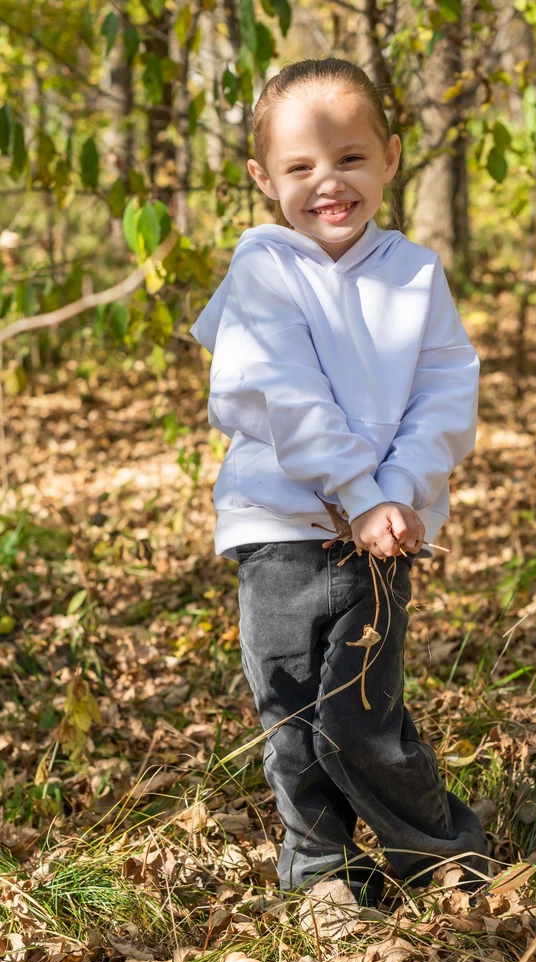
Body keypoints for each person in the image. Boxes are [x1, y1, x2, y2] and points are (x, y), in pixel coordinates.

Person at [190, 57, 488, 908]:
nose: (329, 182)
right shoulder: (263, 269)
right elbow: (283, 394)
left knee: (362, 715)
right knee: (289, 708)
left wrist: (395, 492)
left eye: (350, 158)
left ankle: (440, 855)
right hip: (280, 524)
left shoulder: (414, 272)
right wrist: (360, 494)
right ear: (262, 179)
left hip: (383, 530)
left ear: (390, 157)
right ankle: (320, 871)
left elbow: (444, 392)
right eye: (299, 167)